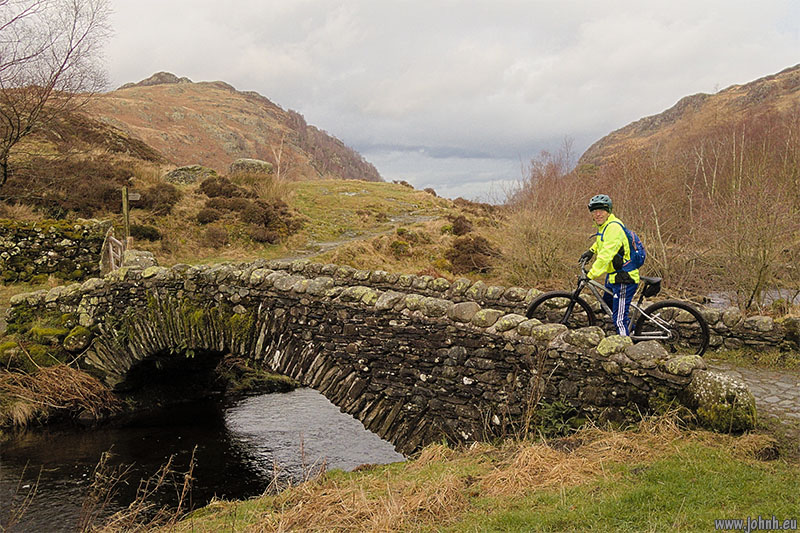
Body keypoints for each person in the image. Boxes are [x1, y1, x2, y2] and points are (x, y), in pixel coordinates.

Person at [579, 194, 640, 336]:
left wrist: (590, 274)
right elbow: (602, 242)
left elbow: (606, 255)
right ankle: (634, 329)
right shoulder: (605, 227)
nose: (598, 214)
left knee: (619, 320)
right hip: (614, 276)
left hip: (624, 278)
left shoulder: (613, 228)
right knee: (606, 303)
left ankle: (626, 350)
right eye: (594, 211)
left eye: (601, 210)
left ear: (609, 211)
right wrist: (590, 251)